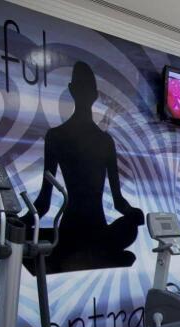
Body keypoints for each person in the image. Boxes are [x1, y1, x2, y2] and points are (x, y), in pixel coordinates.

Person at [31, 62, 142, 274]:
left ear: (92, 94)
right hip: (73, 231)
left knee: (130, 227)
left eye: (86, 88)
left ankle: (88, 250)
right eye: (81, 88)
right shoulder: (57, 136)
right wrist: (20, 223)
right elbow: (44, 201)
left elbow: (118, 200)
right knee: (34, 238)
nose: (83, 93)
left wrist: (132, 214)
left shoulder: (104, 141)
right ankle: (91, 251)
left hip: (97, 231)